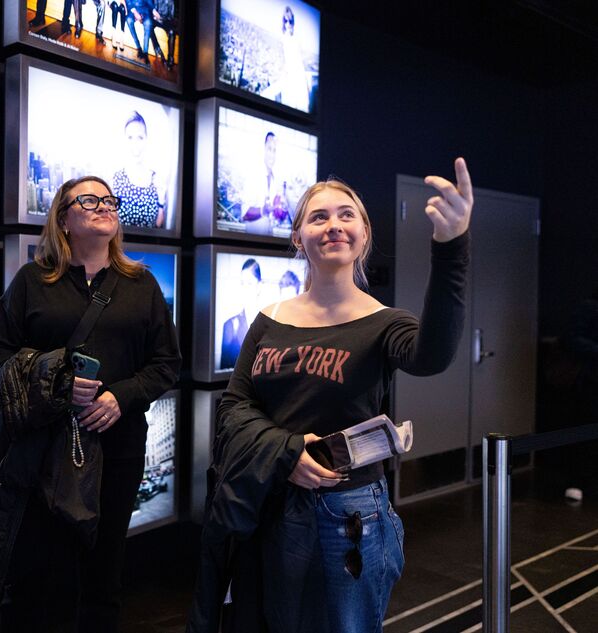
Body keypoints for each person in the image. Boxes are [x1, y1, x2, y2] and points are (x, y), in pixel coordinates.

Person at [188, 159, 473, 632]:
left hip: (347, 516)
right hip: (268, 503)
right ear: (299, 237)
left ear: (364, 233)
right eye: (318, 217)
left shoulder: (384, 322)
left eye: (346, 215)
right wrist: (287, 453)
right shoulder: (269, 319)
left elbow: (434, 355)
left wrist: (452, 248)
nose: (333, 225)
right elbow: (234, 408)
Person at [0, 175, 180, 631]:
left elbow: (167, 364)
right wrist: (52, 383)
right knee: (42, 575)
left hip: (117, 445)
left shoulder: (141, 284)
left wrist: (120, 398)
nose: (104, 206)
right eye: (89, 200)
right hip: (43, 448)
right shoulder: (33, 280)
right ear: (63, 218)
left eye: (109, 200)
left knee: (104, 572)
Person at [112, 111, 167, 228]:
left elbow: (158, 225)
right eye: (130, 137)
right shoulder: (115, 179)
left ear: (146, 140)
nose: (135, 143)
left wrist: (161, 203)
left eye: (140, 137)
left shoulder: (156, 179)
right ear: (124, 140)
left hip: (150, 246)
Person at [219, 258, 262, 370]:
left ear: (259, 286)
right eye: (243, 283)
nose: (245, 288)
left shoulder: (270, 323)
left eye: (249, 283)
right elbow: (224, 370)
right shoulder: (229, 325)